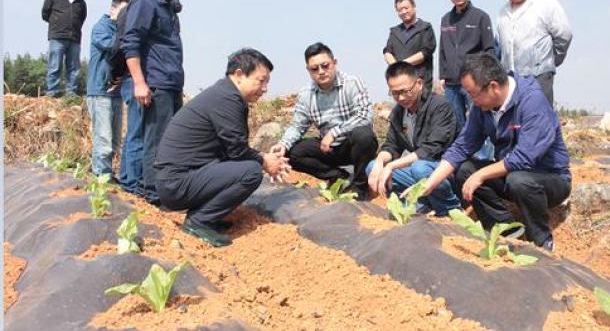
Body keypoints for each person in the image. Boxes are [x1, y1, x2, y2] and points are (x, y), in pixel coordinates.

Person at [419, 53, 571, 252]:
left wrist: (481, 174)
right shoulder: (482, 107)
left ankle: (541, 242)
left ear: (493, 86)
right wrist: (430, 182)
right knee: (465, 170)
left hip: (550, 179)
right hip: (511, 176)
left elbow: (524, 158)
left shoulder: (532, 102)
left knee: (518, 180)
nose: (471, 100)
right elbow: (462, 146)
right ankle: (506, 232)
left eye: (473, 94)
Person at [155, 48, 289, 247]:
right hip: (176, 182)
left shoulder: (225, 94)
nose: (265, 88)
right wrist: (264, 161)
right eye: (261, 80)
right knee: (251, 172)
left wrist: (262, 157)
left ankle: (203, 216)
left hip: (180, 178)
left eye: (267, 82)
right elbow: (237, 151)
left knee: (244, 166)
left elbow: (233, 150)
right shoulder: (227, 99)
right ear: (239, 75)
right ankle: (199, 222)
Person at [270, 42, 378, 200]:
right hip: (328, 149)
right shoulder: (306, 94)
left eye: (325, 66)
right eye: (314, 69)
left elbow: (364, 115)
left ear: (335, 63)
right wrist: (283, 144)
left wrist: (334, 132)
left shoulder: (352, 83)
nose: (321, 72)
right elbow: (297, 125)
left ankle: (360, 186)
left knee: (364, 135)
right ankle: (337, 177)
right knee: (293, 152)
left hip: (353, 146)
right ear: (308, 70)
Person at [122, 0, 186, 206]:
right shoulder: (145, 0)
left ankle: (161, 189)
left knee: (169, 139)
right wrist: (139, 82)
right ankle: (153, 192)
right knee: (156, 140)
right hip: (156, 82)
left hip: (171, 82)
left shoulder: (167, 2)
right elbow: (131, 43)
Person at [367, 62, 461, 216]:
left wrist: (391, 166)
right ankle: (419, 204)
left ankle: (450, 209)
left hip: (444, 172)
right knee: (372, 167)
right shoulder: (399, 112)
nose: (401, 98)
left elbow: (430, 149)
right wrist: (379, 163)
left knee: (420, 168)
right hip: (419, 170)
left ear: (419, 84)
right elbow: (391, 146)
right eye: (395, 93)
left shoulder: (440, 107)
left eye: (405, 91)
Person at [494, 0, 573, 107]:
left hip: (539, 78)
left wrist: (549, 61)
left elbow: (564, 35)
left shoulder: (545, 4)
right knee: (515, 124)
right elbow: (499, 46)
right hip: (511, 81)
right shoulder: (502, 13)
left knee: (539, 121)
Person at [438, 0, 495, 127]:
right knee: (456, 124)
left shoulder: (481, 17)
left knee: (480, 122)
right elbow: (443, 49)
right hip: (451, 83)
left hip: (474, 81)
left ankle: (483, 152)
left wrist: (485, 76)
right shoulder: (445, 19)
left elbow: (489, 49)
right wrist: (442, 75)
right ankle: (462, 151)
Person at [86, 0, 131, 178]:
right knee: (103, 138)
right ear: (112, 9)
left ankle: (108, 174)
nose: (125, 16)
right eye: (123, 11)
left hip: (116, 93)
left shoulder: (122, 31)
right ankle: (101, 176)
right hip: (100, 91)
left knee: (114, 141)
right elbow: (116, 48)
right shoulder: (101, 28)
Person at [41, 0, 87, 97]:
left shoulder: (81, 2)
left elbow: (82, 18)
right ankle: (52, 92)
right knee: (55, 65)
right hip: (57, 37)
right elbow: (45, 14)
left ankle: (71, 93)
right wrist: (57, 24)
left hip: (74, 38)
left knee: (74, 68)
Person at [383, 0, 437, 98]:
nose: (403, 12)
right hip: (399, 84)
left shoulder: (425, 28)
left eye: (406, 8)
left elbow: (426, 52)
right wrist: (396, 67)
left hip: (419, 81)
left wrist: (402, 65)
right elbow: (387, 51)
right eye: (399, 10)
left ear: (414, 7)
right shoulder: (395, 31)